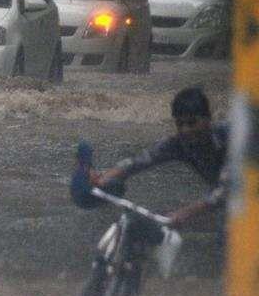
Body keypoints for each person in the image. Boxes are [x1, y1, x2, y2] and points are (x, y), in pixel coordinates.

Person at [90, 86, 228, 227]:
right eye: (180, 124)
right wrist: (105, 178)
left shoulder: (232, 139)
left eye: (192, 123)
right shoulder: (180, 142)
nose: (186, 129)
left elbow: (228, 189)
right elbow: (141, 160)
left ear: (208, 118)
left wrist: (185, 213)